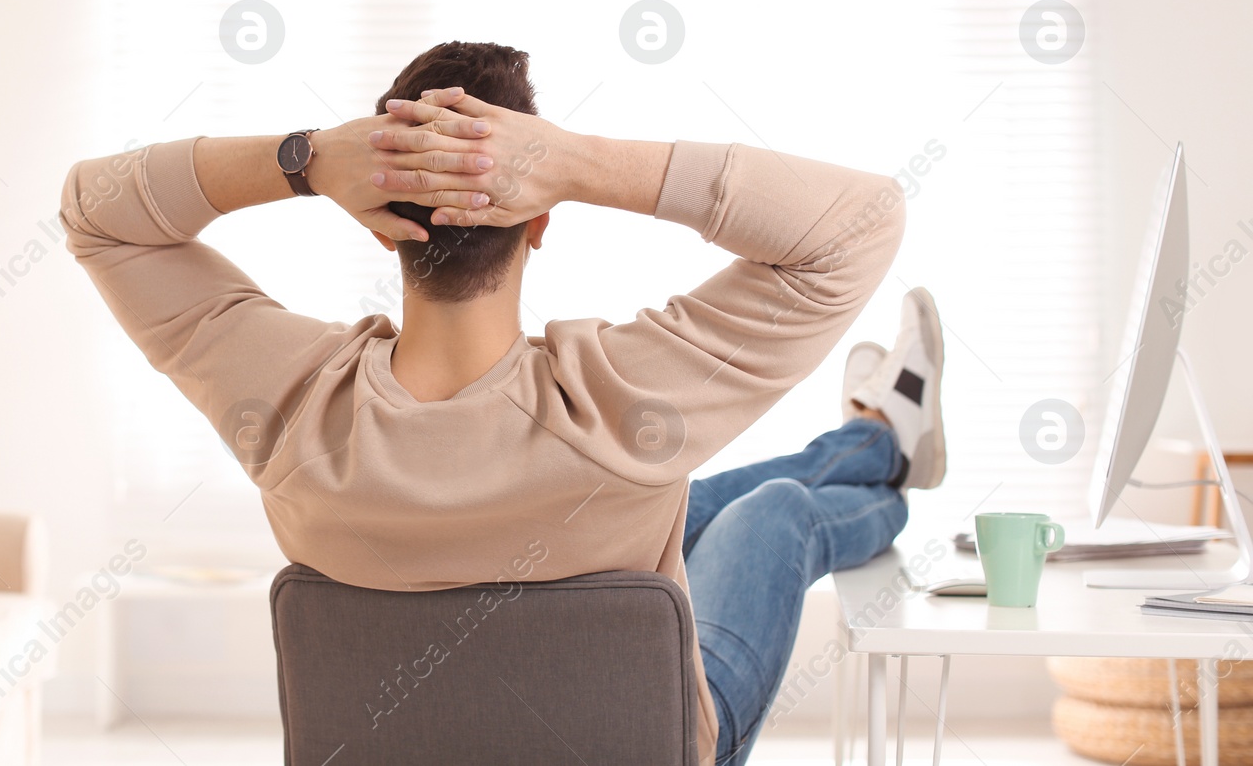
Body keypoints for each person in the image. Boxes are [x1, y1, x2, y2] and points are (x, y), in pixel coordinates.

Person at [61, 40, 945, 766]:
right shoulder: (620, 404)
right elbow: (862, 219)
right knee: (774, 510)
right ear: (540, 218)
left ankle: (876, 437)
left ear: (372, 219)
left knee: (691, 505)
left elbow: (92, 212)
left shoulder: (292, 403)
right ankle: (879, 447)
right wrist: (579, 162)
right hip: (666, 745)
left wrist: (303, 158)